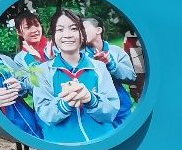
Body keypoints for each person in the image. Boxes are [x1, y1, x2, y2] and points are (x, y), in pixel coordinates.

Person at [33, 8, 120, 142]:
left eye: (73, 28)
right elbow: (44, 113)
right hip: (63, 144)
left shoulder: (99, 67)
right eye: (60, 29)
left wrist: (91, 99)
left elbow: (111, 111)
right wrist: (65, 103)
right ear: (54, 36)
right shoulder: (43, 71)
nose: (67, 35)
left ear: (82, 33)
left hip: (101, 141)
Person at [0, 31, 42, 140]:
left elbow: (29, 85)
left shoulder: (5, 60)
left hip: (26, 117)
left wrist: (21, 86)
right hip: (3, 125)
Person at [83, 16, 137, 126]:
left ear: (98, 30)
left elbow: (131, 77)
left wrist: (111, 64)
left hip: (121, 110)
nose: (81, 32)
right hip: (96, 114)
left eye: (83, 28)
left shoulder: (116, 52)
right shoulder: (79, 56)